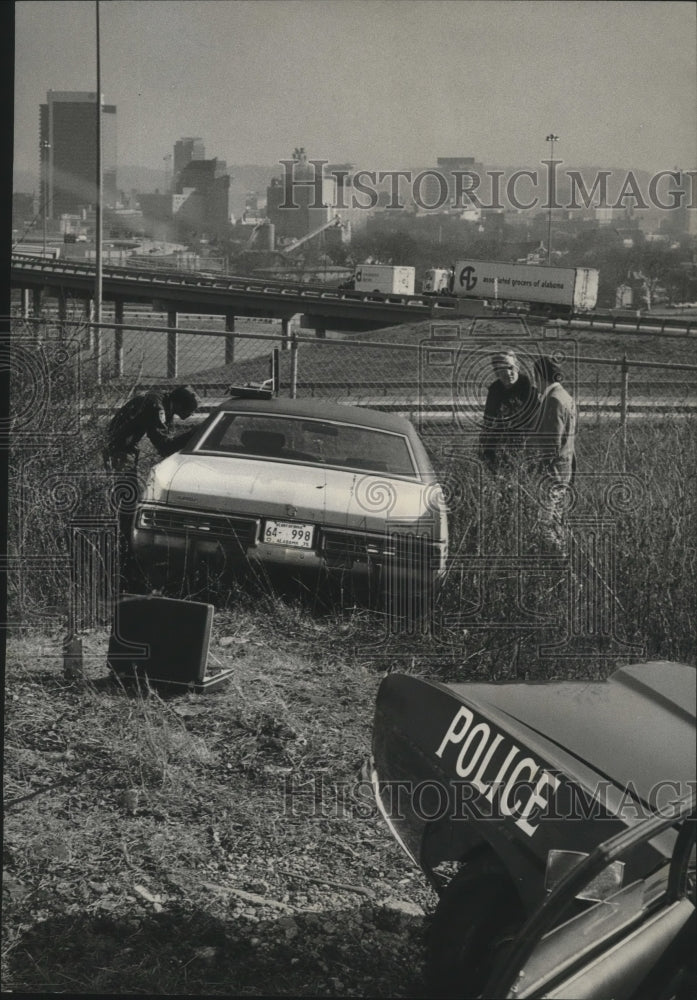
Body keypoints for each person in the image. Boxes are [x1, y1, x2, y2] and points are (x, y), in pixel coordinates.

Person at [103, 385, 200, 584]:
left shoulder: (160, 400)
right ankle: (125, 557)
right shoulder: (157, 408)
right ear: (179, 404)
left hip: (122, 449)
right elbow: (165, 446)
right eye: (190, 410)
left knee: (127, 503)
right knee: (128, 507)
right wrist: (194, 433)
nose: (191, 414)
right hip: (120, 451)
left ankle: (123, 551)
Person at [531, 356, 577, 550]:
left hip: (552, 474)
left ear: (540, 376)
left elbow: (551, 444)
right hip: (563, 470)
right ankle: (562, 557)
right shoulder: (565, 396)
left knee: (546, 522)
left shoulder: (553, 400)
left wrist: (535, 470)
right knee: (556, 519)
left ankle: (559, 560)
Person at [478, 350, 538, 472]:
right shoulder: (495, 390)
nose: (507, 373)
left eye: (510, 367)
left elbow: (536, 425)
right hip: (499, 445)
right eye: (501, 369)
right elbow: (488, 420)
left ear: (517, 367)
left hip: (524, 445)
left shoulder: (530, 392)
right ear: (495, 372)